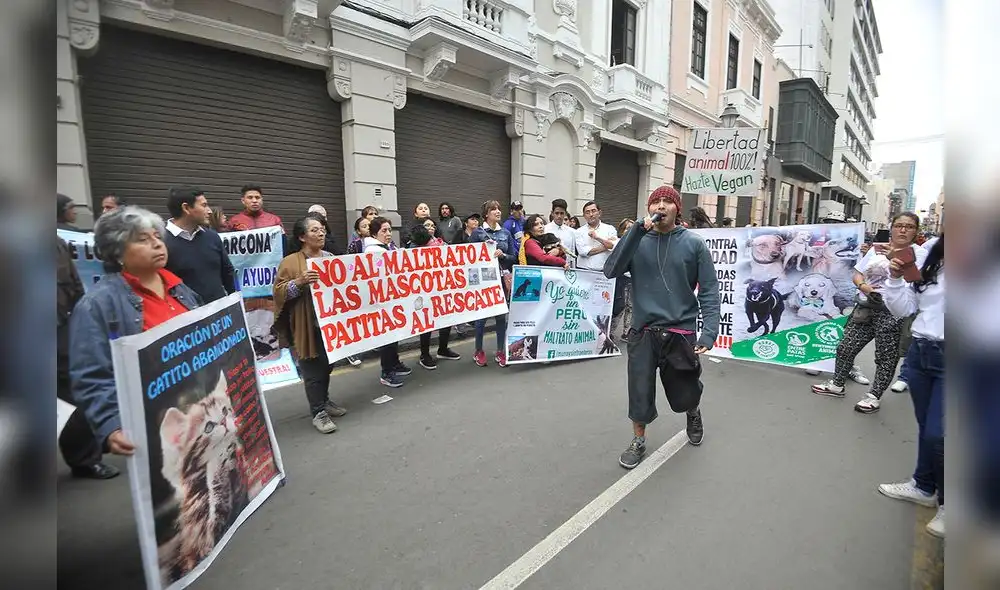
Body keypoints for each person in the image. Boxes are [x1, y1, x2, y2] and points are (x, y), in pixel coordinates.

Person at [69, 206, 203, 457]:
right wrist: (111, 425)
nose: (157, 244)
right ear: (117, 251)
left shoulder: (180, 288)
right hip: (155, 422)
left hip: (198, 412)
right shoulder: (97, 305)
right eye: (143, 239)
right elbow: (92, 376)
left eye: (157, 236)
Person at [603, 186, 720, 469]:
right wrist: (635, 232)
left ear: (677, 209)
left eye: (668, 201)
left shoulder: (693, 244)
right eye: (656, 201)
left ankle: (692, 412)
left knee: (685, 390)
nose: (661, 206)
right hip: (643, 330)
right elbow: (610, 270)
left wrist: (709, 332)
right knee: (639, 390)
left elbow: (709, 290)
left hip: (680, 331)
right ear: (649, 208)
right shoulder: (637, 239)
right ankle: (638, 439)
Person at [811, 212, 927, 413]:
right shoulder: (877, 249)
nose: (903, 230)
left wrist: (896, 257)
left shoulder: (921, 253)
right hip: (866, 306)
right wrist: (864, 287)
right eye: (899, 225)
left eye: (909, 227)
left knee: (886, 357)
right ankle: (837, 385)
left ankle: (874, 396)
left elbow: (916, 280)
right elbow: (858, 273)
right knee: (846, 347)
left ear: (916, 231)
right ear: (891, 228)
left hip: (894, 312)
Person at [877, 236, 945, 538]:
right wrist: (894, 278)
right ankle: (924, 486)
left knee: (941, 435)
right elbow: (904, 308)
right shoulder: (932, 255)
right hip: (921, 353)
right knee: (927, 427)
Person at [273, 215, 349, 434]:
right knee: (312, 369)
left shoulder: (330, 258)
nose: (321, 233)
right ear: (302, 237)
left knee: (327, 365)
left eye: (322, 229)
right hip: (306, 324)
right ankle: (318, 412)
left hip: (330, 324)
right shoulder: (290, 262)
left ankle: (324, 401)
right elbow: (278, 293)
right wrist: (299, 282)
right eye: (315, 230)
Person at [58, 235, 118, 479]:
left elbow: (73, 285)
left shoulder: (56, 244)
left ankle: (84, 458)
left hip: (57, 330)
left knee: (78, 394)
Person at [163, 187, 236, 303]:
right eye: (204, 205)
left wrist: (235, 300)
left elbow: (228, 273)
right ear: (186, 208)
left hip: (219, 311)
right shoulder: (161, 242)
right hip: (185, 312)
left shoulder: (212, 237)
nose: (209, 211)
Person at [469, 200, 517, 367]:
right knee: (481, 318)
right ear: (486, 214)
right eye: (493, 209)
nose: (498, 212)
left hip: (500, 280)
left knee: (501, 316)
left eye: (499, 209)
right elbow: (468, 258)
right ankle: (478, 351)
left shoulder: (506, 233)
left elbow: (513, 257)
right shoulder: (477, 233)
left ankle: (500, 351)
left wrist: (503, 255)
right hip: (482, 282)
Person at [364, 217, 410, 387]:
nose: (388, 233)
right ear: (374, 234)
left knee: (394, 335)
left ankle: (394, 363)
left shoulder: (387, 248)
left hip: (392, 299)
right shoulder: (373, 251)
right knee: (386, 338)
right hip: (382, 302)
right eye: (384, 230)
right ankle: (386, 372)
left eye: (389, 230)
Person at [407, 224, 462, 368]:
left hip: (442, 288)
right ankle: (424, 355)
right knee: (426, 322)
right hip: (424, 291)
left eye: (432, 225)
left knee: (446, 319)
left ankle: (443, 349)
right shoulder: (414, 247)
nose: (430, 228)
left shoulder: (441, 243)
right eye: (427, 226)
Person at [574, 201, 618, 272]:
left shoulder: (610, 229)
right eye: (587, 212)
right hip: (584, 271)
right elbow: (583, 252)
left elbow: (613, 246)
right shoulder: (579, 231)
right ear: (584, 216)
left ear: (599, 213)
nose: (591, 214)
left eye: (593, 211)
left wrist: (597, 238)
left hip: (604, 271)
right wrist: (606, 245)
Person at [610, 218, 635, 340]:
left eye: (631, 228)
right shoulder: (617, 242)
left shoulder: (639, 243)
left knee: (631, 306)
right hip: (621, 278)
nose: (628, 230)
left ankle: (627, 332)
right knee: (619, 306)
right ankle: (610, 331)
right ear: (621, 230)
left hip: (634, 279)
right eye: (626, 228)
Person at [544, 198, 576, 263]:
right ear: (552, 213)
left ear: (565, 213)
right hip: (549, 265)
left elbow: (572, 252)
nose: (559, 216)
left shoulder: (572, 232)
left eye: (561, 213)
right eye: (557, 213)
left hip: (567, 266)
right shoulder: (545, 230)